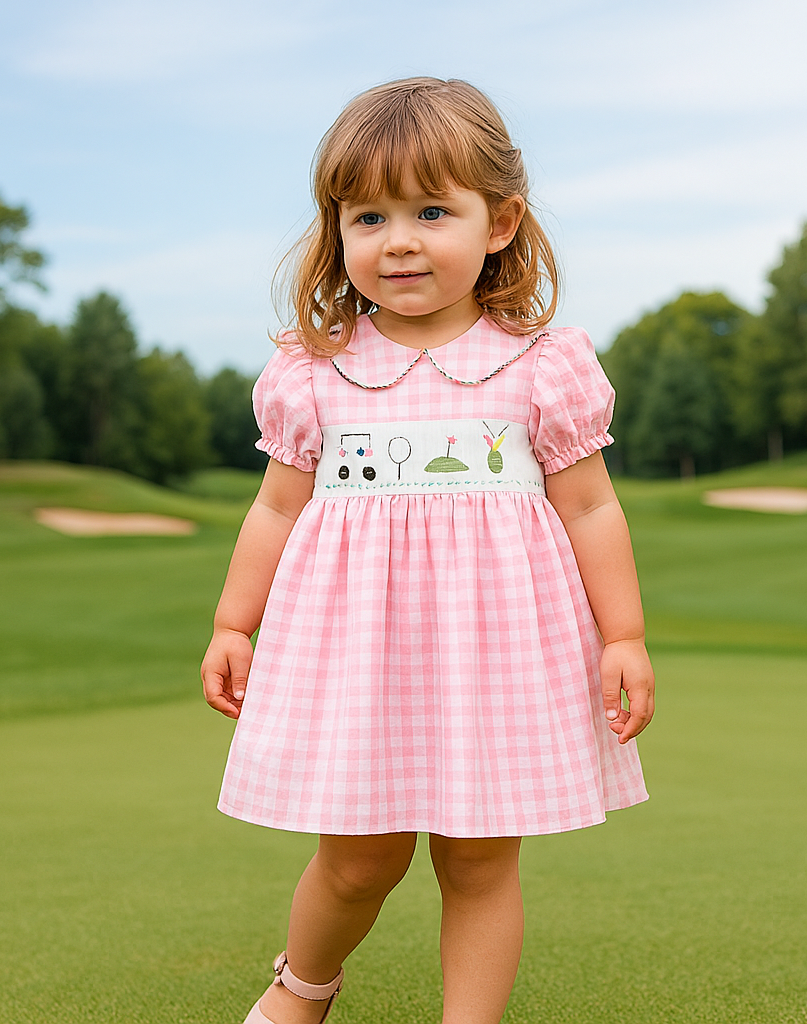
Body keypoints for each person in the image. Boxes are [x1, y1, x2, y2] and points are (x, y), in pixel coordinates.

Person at [201, 76, 655, 1024]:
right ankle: (302, 986)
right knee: (359, 856)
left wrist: (625, 635)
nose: (399, 239)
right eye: (369, 215)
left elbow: (591, 510)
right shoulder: (314, 371)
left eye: (432, 210)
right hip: (357, 654)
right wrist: (234, 620)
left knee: (481, 857)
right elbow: (277, 510)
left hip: (494, 654)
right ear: (338, 232)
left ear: (501, 222)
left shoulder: (541, 364)